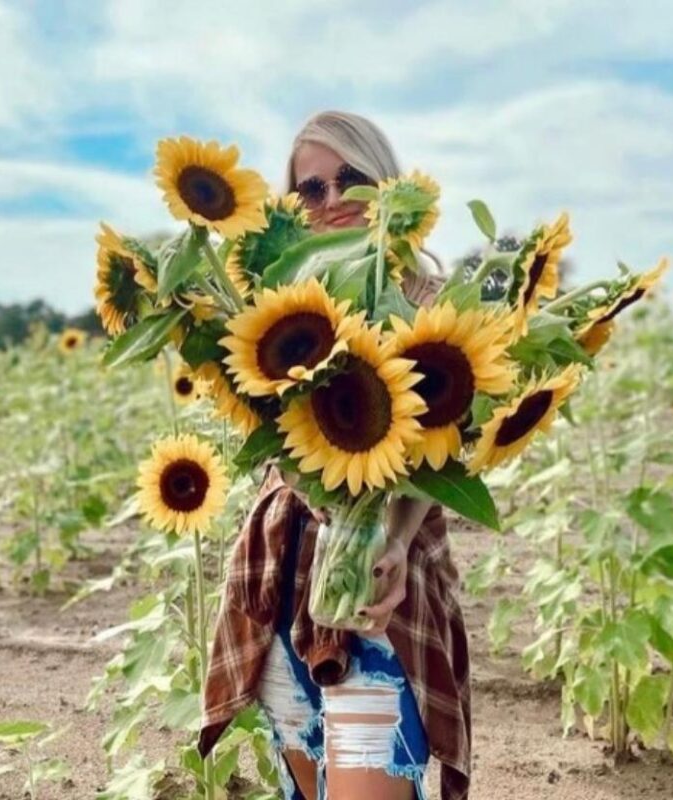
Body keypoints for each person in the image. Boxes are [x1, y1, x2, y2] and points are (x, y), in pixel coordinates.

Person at [198, 111, 471, 800]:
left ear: (385, 182)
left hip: (377, 595)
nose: (331, 200)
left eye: (349, 178)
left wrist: (396, 543)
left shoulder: (433, 312)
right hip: (284, 576)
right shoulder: (280, 320)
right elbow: (280, 447)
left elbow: (441, 461)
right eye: (310, 191)